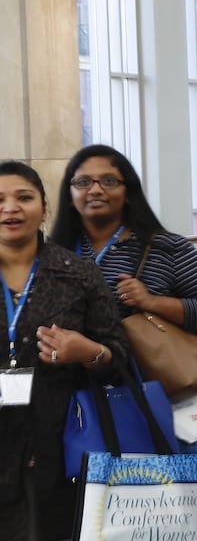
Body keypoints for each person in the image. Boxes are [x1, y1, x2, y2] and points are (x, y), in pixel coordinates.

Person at [0, 161, 128, 539]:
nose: (10, 208)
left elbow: (118, 362)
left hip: (57, 441)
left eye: (24, 197)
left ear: (44, 208)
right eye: (0, 200)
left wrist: (87, 351)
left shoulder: (79, 273)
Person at [50, 146, 197, 343]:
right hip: (68, 371)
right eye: (83, 182)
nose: (95, 190)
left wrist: (152, 302)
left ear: (128, 192)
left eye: (109, 181)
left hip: (146, 371)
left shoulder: (166, 248)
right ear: (69, 195)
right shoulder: (54, 254)